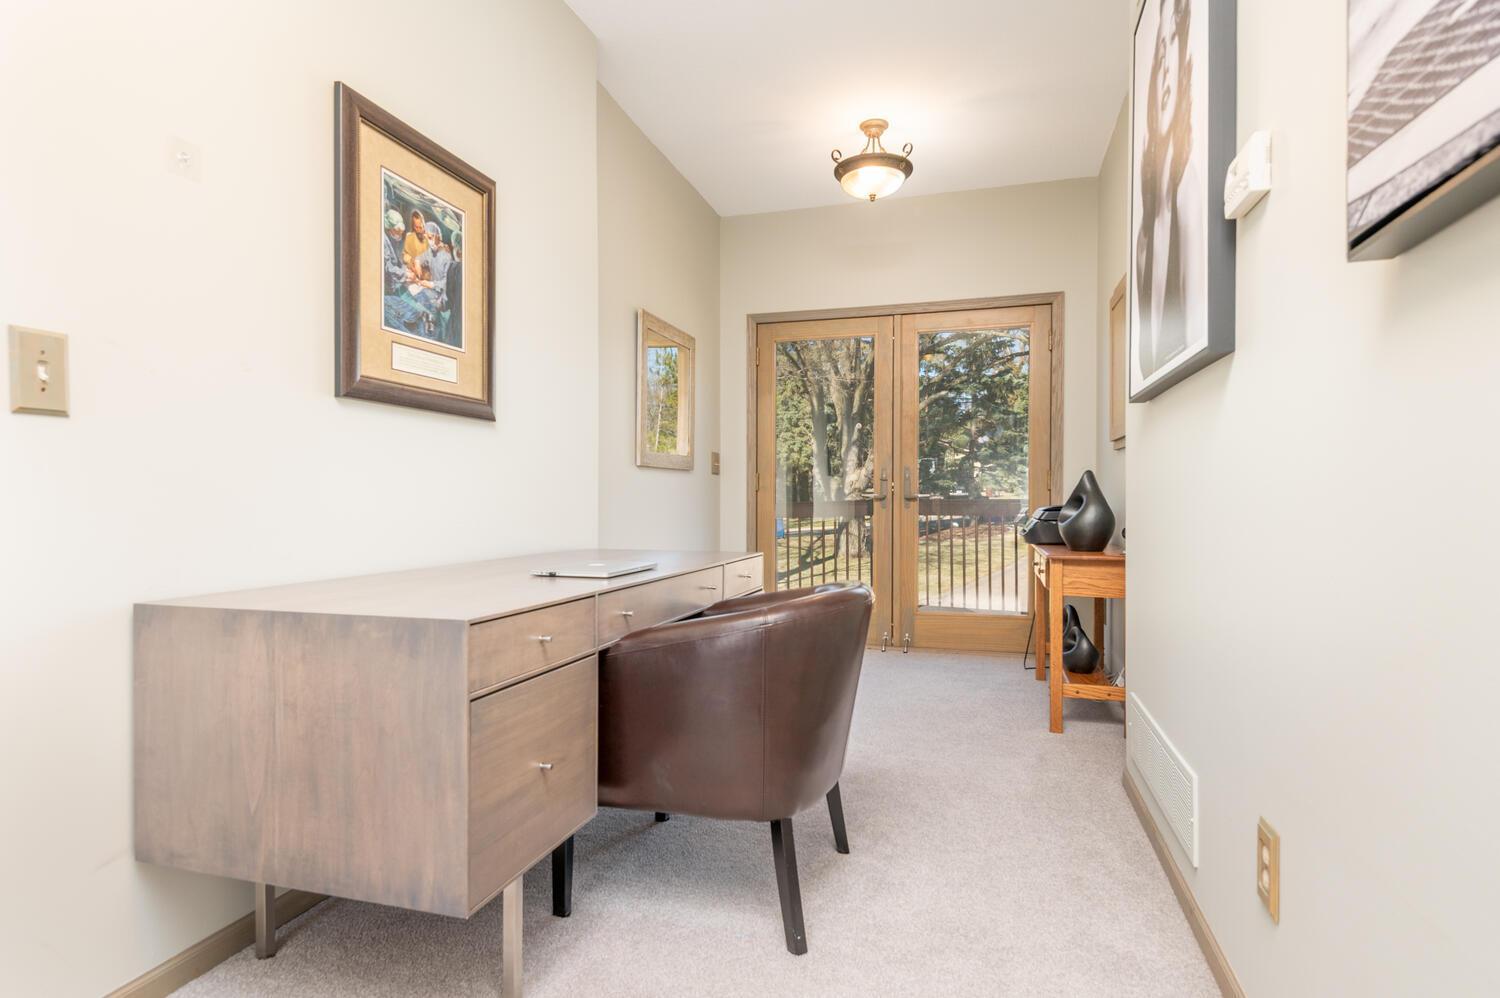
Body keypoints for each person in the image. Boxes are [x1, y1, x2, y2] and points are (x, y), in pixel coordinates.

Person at [1133, 0, 1202, 382]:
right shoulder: (1143, 239)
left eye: (1172, 44)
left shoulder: (1188, 192)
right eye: (1158, 52)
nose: (1163, 71)